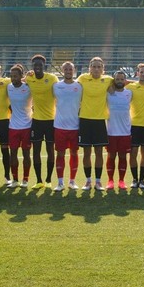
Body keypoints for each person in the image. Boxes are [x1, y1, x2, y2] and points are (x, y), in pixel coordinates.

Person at [77, 57, 113, 191]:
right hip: (85, 120)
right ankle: (87, 181)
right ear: (89, 68)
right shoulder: (82, 78)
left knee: (99, 152)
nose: (96, 69)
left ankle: (98, 181)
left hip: (99, 121)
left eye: (99, 67)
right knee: (86, 152)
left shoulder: (108, 80)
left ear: (103, 69)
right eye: (94, 66)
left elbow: (124, 83)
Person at [25, 54, 58, 188]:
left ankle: (49, 180)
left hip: (51, 120)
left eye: (40, 65)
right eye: (35, 65)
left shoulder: (52, 78)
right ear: (32, 66)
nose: (37, 67)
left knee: (50, 150)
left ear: (44, 66)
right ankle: (39, 181)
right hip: (36, 121)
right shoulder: (29, 78)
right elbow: (18, 81)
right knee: (36, 151)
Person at [52, 61, 82, 192]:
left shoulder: (80, 86)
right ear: (62, 71)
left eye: (71, 69)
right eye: (66, 69)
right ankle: (60, 182)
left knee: (74, 153)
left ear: (74, 71)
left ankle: (72, 181)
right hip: (59, 126)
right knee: (60, 153)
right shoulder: (56, 86)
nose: (68, 71)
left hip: (75, 126)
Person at [105, 71, 133, 190]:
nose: (120, 81)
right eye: (117, 79)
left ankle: (121, 180)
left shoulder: (130, 93)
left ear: (125, 80)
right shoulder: (108, 92)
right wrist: (110, 85)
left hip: (125, 131)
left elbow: (138, 84)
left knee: (122, 156)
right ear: (114, 80)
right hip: (111, 131)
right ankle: (110, 180)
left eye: (122, 79)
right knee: (111, 155)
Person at [7, 64, 32, 188]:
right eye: (11, 76)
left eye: (15, 76)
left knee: (26, 153)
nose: (13, 78)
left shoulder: (28, 87)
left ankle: (25, 179)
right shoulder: (8, 87)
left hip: (27, 125)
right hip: (13, 126)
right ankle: (15, 179)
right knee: (13, 153)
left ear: (21, 76)